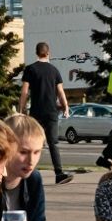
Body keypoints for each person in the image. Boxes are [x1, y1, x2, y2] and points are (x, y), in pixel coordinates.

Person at [18, 42, 74, 184]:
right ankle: (59, 173)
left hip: (36, 112)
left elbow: (24, 91)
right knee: (53, 143)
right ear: (48, 53)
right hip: (51, 112)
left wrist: (21, 109)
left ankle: (27, 174)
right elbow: (60, 91)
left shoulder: (30, 69)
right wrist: (65, 106)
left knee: (33, 143)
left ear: (36, 53)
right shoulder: (54, 70)